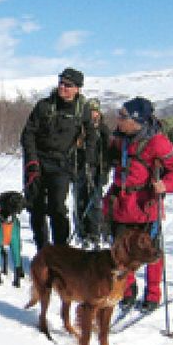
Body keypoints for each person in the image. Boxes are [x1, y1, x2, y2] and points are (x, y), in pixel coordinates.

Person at [102, 97, 173, 309]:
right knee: (121, 252)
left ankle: (153, 294)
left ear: (136, 120)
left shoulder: (157, 142)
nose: (118, 119)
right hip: (121, 204)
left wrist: (165, 184)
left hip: (145, 206)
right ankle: (127, 290)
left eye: (123, 116)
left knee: (151, 252)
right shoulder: (120, 138)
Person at [21, 68, 93, 250]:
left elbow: (91, 136)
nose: (63, 87)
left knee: (58, 209)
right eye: (60, 82)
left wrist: (86, 162)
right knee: (36, 208)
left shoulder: (82, 109)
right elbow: (28, 134)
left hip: (62, 164)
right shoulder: (44, 105)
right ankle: (43, 251)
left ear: (77, 89)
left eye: (68, 85)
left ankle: (61, 252)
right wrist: (31, 161)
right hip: (38, 160)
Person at [73, 97, 109, 247]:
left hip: (97, 170)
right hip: (80, 169)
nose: (94, 114)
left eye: (96, 111)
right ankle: (82, 233)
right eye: (91, 111)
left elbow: (107, 153)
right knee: (80, 201)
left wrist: (105, 172)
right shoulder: (80, 129)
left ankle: (95, 233)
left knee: (94, 202)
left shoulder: (104, 130)